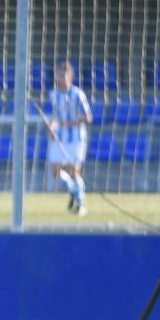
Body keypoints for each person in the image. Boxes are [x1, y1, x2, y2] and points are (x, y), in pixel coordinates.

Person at [47, 61, 93, 216]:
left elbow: (88, 117)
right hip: (60, 138)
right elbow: (55, 117)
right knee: (56, 170)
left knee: (74, 171)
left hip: (77, 139)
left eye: (62, 74)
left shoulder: (78, 94)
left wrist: (71, 123)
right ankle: (73, 191)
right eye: (57, 74)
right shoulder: (53, 95)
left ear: (70, 76)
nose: (59, 78)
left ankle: (82, 205)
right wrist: (52, 128)